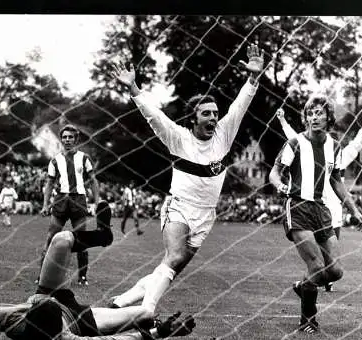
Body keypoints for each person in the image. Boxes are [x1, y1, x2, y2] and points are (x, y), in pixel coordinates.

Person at [0, 201, 195, 340]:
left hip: (53, 294)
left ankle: (102, 236)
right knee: (144, 313)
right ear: (55, 329)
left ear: (30, 309)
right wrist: (158, 332)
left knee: (63, 239)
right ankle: (127, 303)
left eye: (37, 304)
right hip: (84, 318)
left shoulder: (13, 318)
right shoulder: (66, 338)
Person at [108, 44, 264, 313]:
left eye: (215, 113)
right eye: (206, 113)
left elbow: (240, 105)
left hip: (206, 215)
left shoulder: (224, 136)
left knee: (171, 267)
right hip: (179, 206)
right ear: (194, 119)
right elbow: (153, 116)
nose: (214, 117)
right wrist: (133, 88)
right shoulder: (179, 138)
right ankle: (145, 312)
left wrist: (253, 78)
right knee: (175, 256)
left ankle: (122, 301)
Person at [269, 95, 362, 333]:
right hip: (298, 207)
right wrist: (280, 185)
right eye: (310, 113)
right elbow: (274, 173)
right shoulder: (295, 143)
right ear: (306, 118)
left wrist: (354, 209)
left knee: (335, 271)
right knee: (315, 264)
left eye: (319, 113)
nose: (314, 117)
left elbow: (336, 180)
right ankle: (307, 319)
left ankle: (303, 286)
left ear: (328, 118)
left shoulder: (334, 145)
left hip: (321, 209)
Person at [276, 108, 362, 291]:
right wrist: (282, 121)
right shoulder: (302, 144)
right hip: (304, 204)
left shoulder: (340, 154)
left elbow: (358, 143)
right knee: (317, 262)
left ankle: (321, 278)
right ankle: (314, 282)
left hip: (331, 209)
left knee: (333, 265)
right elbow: (294, 137)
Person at [39, 124, 100, 286]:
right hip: (60, 200)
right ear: (61, 139)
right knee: (51, 237)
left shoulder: (84, 158)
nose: (67, 140)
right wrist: (45, 205)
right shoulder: (55, 160)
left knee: (81, 240)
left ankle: (82, 277)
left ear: (76, 139)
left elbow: (93, 181)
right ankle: (41, 275)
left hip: (78, 200)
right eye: (64, 137)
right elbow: (50, 184)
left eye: (70, 137)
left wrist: (97, 201)